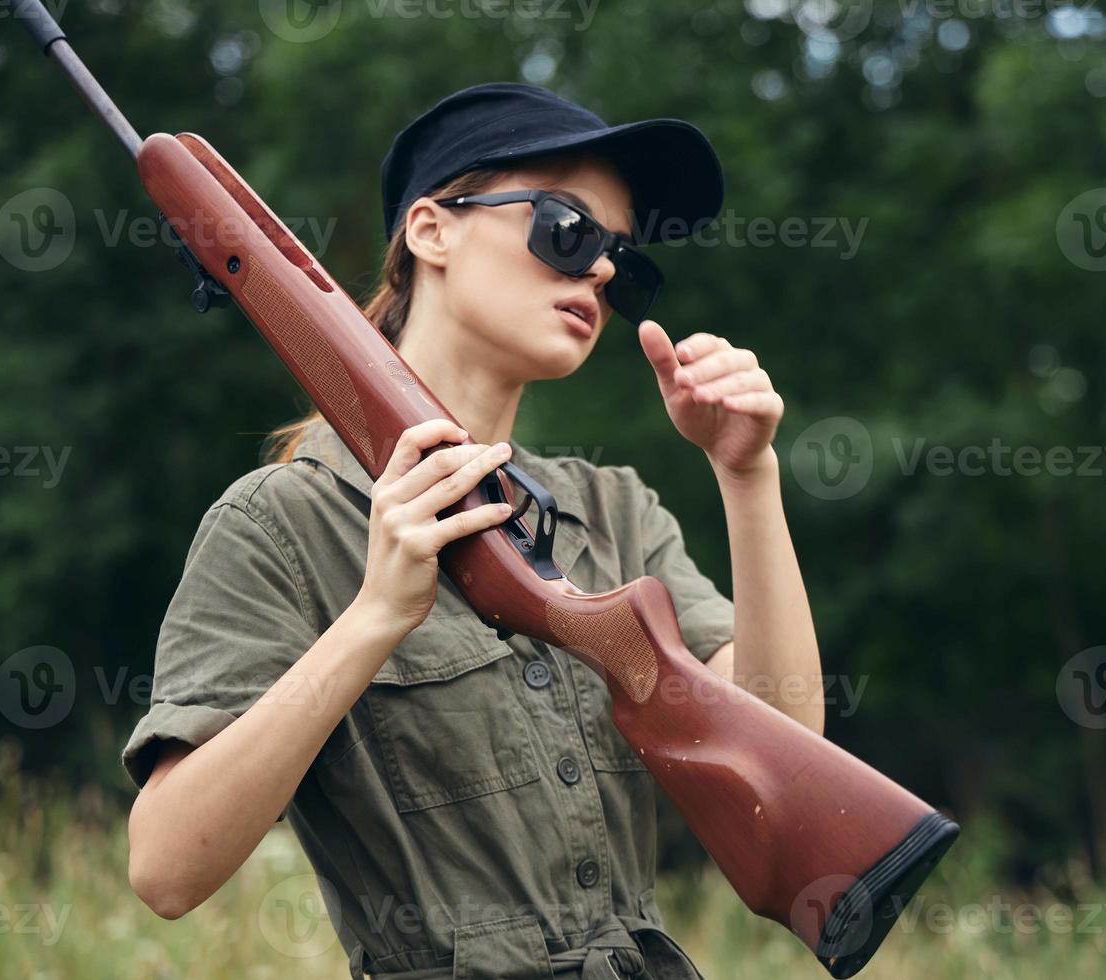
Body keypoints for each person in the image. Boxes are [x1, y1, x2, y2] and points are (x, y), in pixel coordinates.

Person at [121, 81, 825, 979]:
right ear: (432, 229)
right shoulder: (279, 525)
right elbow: (166, 868)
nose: (602, 272)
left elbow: (786, 746)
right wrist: (375, 616)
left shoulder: (613, 509)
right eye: (567, 231)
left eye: (624, 259)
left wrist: (746, 475)